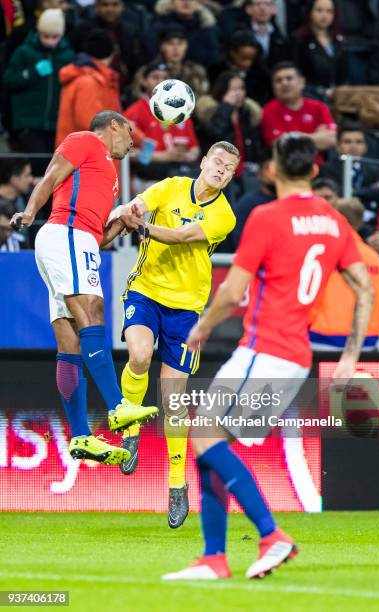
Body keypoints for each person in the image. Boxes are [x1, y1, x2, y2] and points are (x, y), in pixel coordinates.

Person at [162, 133, 373, 580]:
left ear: (272, 170)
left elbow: (233, 292)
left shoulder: (267, 217)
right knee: (209, 446)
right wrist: (351, 355)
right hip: (295, 357)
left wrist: (201, 327)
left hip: (265, 351)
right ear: (315, 171)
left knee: (202, 435)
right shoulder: (335, 222)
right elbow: (364, 287)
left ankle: (271, 535)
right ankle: (214, 558)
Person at [10, 110, 158, 465]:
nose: (132, 140)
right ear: (114, 126)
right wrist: (30, 212)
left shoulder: (110, 179)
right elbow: (50, 177)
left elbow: (97, 237)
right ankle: (117, 406)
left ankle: (81, 436)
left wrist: (120, 224)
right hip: (65, 235)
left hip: (79, 242)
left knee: (70, 339)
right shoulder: (85, 140)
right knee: (92, 310)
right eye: (130, 132)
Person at [109, 141, 238, 528]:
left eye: (228, 168)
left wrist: (142, 226)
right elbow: (138, 205)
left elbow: (181, 237)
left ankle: (177, 483)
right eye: (216, 162)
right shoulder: (171, 186)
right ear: (203, 162)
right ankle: (130, 431)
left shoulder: (224, 215)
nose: (220, 170)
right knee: (139, 356)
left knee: (173, 401)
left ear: (231, 177)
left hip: (187, 309)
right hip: (146, 291)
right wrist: (127, 211)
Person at [309, 197, 379, 351]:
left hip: (322, 340)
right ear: (359, 222)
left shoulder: (320, 253)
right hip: (364, 342)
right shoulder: (375, 259)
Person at [3, 9, 75, 169]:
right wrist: (31, 73)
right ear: (38, 32)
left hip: (56, 123)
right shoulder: (24, 52)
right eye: (45, 36)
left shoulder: (68, 56)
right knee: (38, 165)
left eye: (54, 37)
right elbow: (9, 80)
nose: (50, 41)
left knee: (53, 168)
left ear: (61, 35)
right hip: (29, 122)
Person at [319, 121, 379, 237]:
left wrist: (354, 193)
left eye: (359, 142)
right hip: (338, 225)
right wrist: (368, 192)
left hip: (370, 225)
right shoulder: (327, 169)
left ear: (365, 147)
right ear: (338, 146)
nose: (353, 146)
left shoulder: (373, 170)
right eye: (347, 142)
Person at [125, 62, 200, 182]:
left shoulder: (181, 109)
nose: (161, 81)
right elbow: (126, 153)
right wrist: (162, 157)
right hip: (149, 177)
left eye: (165, 78)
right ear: (144, 81)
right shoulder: (134, 112)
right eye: (155, 77)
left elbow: (194, 148)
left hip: (180, 171)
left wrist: (186, 156)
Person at [195, 70, 264, 197]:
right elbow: (216, 132)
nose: (238, 93)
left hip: (245, 175)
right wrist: (226, 107)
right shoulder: (210, 113)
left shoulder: (247, 114)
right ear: (222, 91)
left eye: (241, 88)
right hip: (219, 175)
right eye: (233, 89)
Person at [261, 61, 337, 165]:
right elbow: (280, 145)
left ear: (302, 82)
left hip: (319, 169)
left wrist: (293, 136)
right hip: (286, 169)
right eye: (278, 80)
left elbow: (332, 139)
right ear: (273, 87)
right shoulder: (269, 110)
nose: (284, 83)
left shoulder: (319, 107)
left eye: (289, 78)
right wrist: (316, 136)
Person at [56, 29, 122, 146]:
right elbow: (90, 124)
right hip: (84, 157)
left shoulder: (99, 79)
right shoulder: (88, 82)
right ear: (112, 53)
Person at [293, 0, 347, 102]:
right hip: (310, 97)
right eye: (319, 10)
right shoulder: (299, 40)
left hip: (338, 98)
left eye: (329, 11)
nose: (324, 15)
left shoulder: (338, 40)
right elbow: (297, 75)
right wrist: (321, 91)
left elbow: (344, 75)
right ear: (310, 12)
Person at [153, 0, 221, 68]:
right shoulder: (159, 25)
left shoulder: (207, 26)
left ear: (197, 2)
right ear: (172, 2)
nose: (186, 2)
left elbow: (214, 58)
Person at [231, 158, 276, 249]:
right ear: (259, 173)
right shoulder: (246, 204)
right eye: (268, 169)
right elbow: (238, 239)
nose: (273, 174)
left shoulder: (289, 201)